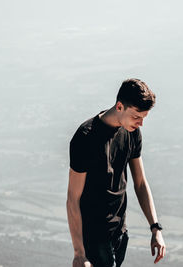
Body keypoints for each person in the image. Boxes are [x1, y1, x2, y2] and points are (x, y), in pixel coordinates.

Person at [67, 78, 166, 267]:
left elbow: (141, 183)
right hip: (95, 236)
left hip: (120, 231)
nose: (141, 124)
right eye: (137, 117)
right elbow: (73, 198)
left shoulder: (132, 131)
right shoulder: (85, 138)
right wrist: (79, 253)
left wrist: (155, 228)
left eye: (144, 118)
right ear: (120, 106)